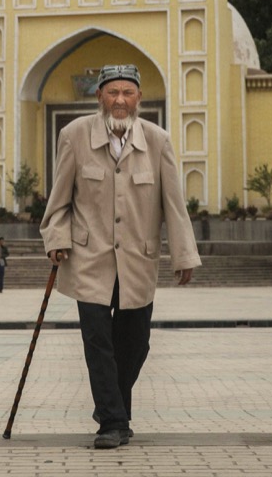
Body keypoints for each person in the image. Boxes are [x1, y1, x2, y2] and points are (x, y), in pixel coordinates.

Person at [40, 63, 202, 449]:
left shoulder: (158, 141)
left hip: (137, 262)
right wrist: (56, 238)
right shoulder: (74, 136)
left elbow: (173, 205)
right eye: (112, 93)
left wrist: (183, 256)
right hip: (88, 261)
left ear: (138, 99)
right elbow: (59, 201)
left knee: (135, 344)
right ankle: (112, 422)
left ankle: (112, 409)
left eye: (127, 93)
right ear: (99, 97)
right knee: (98, 343)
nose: (119, 101)